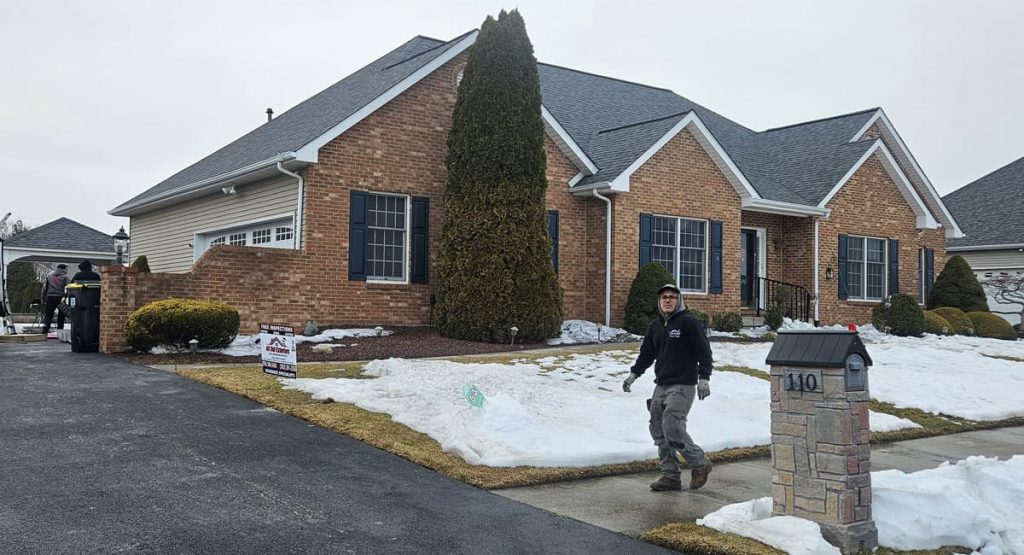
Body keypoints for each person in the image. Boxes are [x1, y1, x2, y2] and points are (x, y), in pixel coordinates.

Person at [622, 283, 714, 491]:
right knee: (657, 430)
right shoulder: (655, 326)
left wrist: (704, 378)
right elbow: (646, 354)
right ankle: (670, 476)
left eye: (672, 297)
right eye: (664, 297)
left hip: (683, 385)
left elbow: (704, 352)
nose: (668, 300)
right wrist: (634, 374)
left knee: (672, 428)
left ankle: (700, 464)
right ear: (660, 301)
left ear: (679, 300)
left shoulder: (688, 323)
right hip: (661, 385)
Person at [40, 264, 70, 335]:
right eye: (66, 269)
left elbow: (45, 289)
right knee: (61, 315)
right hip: (60, 298)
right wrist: (66, 297)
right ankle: (60, 331)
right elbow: (69, 288)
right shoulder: (65, 277)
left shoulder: (49, 276)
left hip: (50, 297)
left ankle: (45, 331)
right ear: (63, 269)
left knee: (48, 315)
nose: (67, 271)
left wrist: (43, 298)